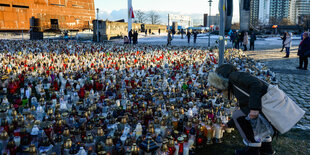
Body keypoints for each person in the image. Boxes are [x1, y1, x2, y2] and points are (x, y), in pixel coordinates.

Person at [208, 64, 275, 155]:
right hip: (267, 106)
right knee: (251, 118)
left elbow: (256, 84)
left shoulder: (235, 77)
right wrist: (228, 125)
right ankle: (266, 149)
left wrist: (254, 108)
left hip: (265, 107)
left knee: (238, 116)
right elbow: (245, 106)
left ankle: (253, 150)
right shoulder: (235, 83)